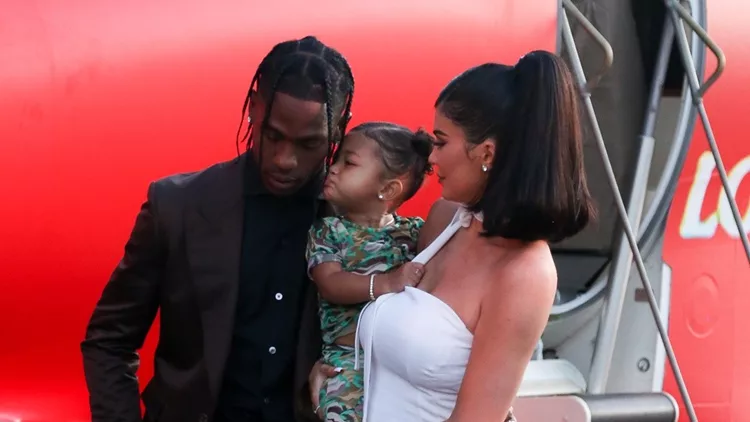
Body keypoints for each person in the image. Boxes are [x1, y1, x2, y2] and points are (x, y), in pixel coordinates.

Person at [81, 35, 355, 422]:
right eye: (273, 135)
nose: (285, 159)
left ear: (339, 130)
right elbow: (109, 341)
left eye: (309, 144)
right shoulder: (177, 206)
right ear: (254, 109)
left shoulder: (359, 223)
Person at [310, 51, 594, 421]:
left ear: (486, 153)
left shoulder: (525, 273)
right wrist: (333, 380)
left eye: (441, 142)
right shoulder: (445, 221)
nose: (431, 159)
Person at [306, 122, 433, 422]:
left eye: (348, 163)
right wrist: (386, 283)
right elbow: (331, 283)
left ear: (387, 189)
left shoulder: (415, 232)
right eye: (336, 160)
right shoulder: (328, 230)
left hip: (402, 363)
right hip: (347, 360)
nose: (333, 168)